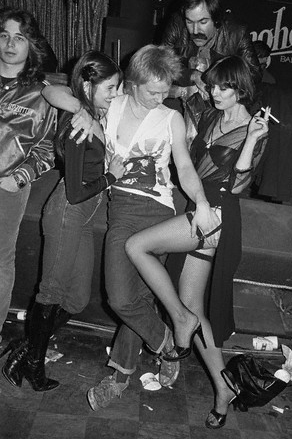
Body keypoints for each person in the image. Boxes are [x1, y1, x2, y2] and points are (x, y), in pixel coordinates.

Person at [44, 44, 217, 409]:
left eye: (166, 88)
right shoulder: (114, 102)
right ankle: (166, 340)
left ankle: (119, 377)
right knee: (123, 298)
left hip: (156, 210)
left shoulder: (169, 117)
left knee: (132, 296)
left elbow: (184, 167)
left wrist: (200, 202)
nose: (162, 96)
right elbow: (49, 89)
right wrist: (81, 110)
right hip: (120, 208)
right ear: (134, 83)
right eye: (153, 90)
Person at [125, 56, 269, 430]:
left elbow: (238, 187)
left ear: (241, 89)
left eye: (225, 87)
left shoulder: (254, 127)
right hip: (199, 208)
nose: (216, 92)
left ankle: (178, 320)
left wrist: (252, 140)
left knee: (137, 246)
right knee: (194, 305)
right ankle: (223, 388)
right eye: (214, 85)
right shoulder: (210, 114)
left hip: (218, 215)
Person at [1, 50, 125, 392]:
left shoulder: (93, 114)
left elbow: (57, 91)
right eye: (111, 88)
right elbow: (74, 192)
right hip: (67, 214)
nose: (116, 94)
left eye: (118, 87)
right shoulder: (76, 127)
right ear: (88, 85)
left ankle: (25, 349)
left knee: (77, 300)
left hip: (83, 220)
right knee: (51, 291)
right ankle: (34, 368)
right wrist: (111, 177)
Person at [0, 8, 57, 344]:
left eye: (19, 37)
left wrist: (17, 179)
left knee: (1, 261)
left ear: (30, 44)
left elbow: (47, 150)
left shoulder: (41, 93)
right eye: (5, 35)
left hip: (7, 187)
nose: (10, 43)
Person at [161, 0, 260, 130]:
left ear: (217, 20)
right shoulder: (177, 24)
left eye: (203, 22)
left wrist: (215, 81)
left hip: (219, 109)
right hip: (178, 105)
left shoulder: (236, 33)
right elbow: (160, 65)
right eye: (189, 22)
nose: (195, 30)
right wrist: (193, 76)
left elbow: (254, 75)